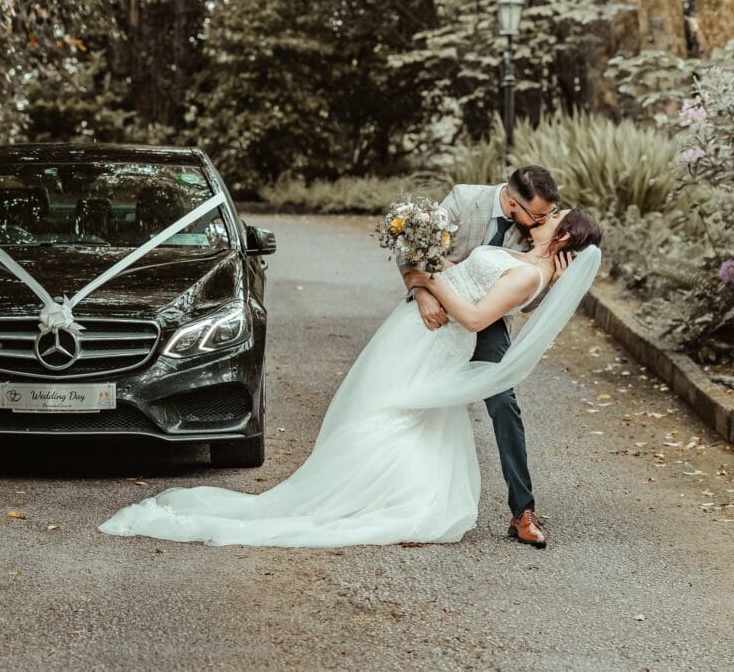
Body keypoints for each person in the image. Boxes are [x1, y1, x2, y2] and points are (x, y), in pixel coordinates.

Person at [97, 207, 603, 548]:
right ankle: (368, 485)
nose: (546, 214)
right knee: (379, 406)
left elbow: (473, 317)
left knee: (388, 412)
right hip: (416, 330)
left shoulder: (529, 275)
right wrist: (425, 261)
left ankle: (363, 493)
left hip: (438, 338)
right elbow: (468, 274)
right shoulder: (521, 257)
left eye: (554, 216)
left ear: (561, 236)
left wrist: (429, 280)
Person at [410, 166, 563, 547]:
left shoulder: (539, 231)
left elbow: (524, 303)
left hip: (487, 319)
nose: (544, 222)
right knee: (415, 396)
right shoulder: (464, 200)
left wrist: (552, 280)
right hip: (439, 306)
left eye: (547, 215)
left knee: (503, 401)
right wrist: (421, 294)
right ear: (513, 203)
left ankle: (522, 511)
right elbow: (412, 245)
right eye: (538, 216)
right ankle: (405, 492)